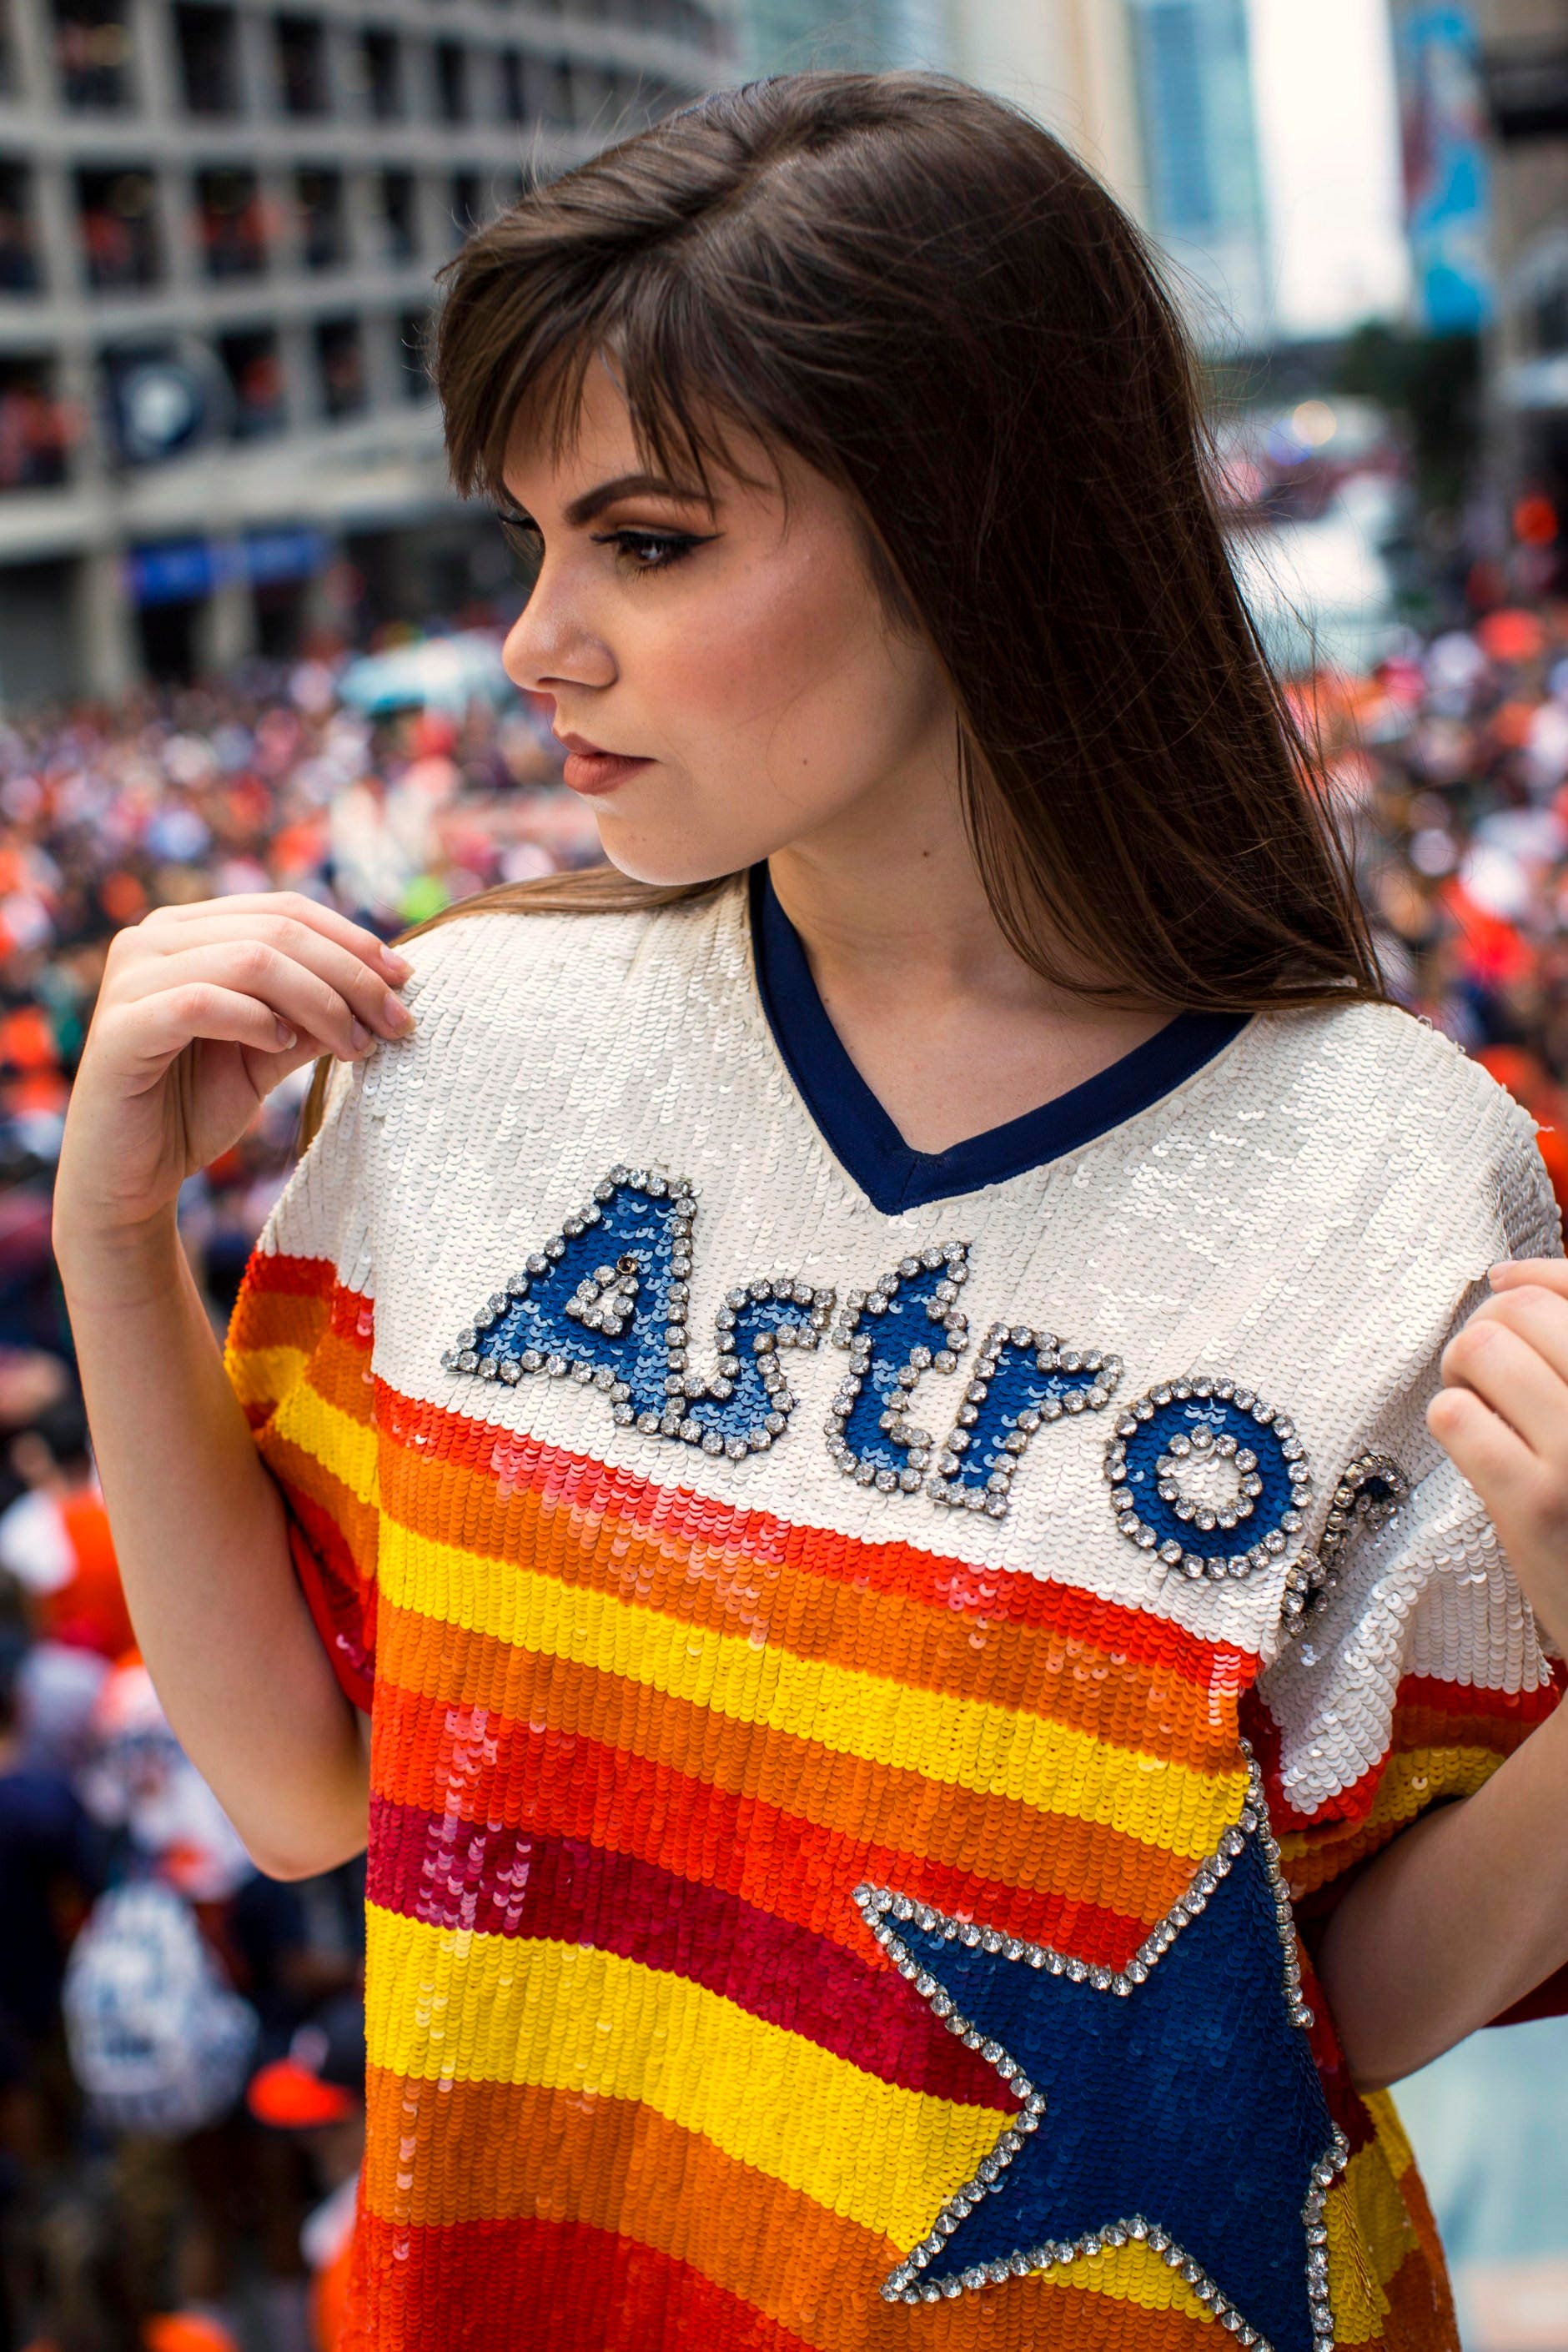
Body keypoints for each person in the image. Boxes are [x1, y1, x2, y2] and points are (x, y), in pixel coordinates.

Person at [50, 71, 1568, 2352]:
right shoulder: (471, 1043)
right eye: (532, 540)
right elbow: (295, 1781)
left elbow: (1306, 2009)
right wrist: (111, 1234)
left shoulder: (1395, 1165)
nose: (538, 638)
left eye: (647, 543)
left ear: (979, 528)